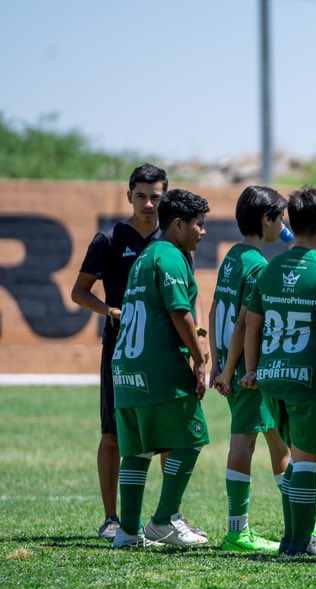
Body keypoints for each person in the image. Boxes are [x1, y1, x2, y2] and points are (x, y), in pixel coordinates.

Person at [241, 186, 316, 557]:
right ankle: (302, 543)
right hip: (310, 378)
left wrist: (253, 369)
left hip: (273, 377)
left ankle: (293, 539)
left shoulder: (270, 268)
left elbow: (252, 324)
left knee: (295, 456)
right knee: (309, 460)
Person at [109, 189, 211, 548]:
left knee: (136, 450)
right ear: (179, 224)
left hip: (125, 368)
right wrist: (200, 358)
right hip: (157, 367)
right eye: (199, 225)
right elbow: (180, 312)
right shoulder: (170, 256)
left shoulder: (146, 255)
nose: (203, 232)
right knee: (192, 438)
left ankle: (127, 532)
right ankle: (164, 520)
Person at [72, 163, 166, 540]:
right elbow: (79, 293)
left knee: (166, 436)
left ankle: (166, 517)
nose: (147, 203)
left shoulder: (170, 242)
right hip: (120, 351)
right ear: (128, 196)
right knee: (112, 434)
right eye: (141, 196)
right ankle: (112, 519)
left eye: (155, 197)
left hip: (161, 353)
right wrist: (109, 310)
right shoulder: (109, 240)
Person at [209, 186, 292, 552]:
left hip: (232, 364)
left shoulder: (232, 256)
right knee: (244, 442)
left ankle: (299, 518)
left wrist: (216, 361)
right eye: (281, 217)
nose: (284, 225)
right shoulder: (259, 266)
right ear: (266, 220)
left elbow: (214, 311)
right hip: (245, 370)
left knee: (276, 439)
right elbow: (244, 323)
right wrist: (229, 372)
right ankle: (237, 531)